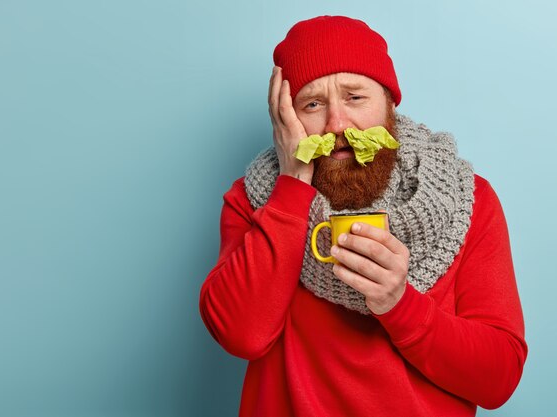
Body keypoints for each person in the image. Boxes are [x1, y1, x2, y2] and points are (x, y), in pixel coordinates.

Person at [199, 15, 527, 417]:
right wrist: (291, 185)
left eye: (355, 97)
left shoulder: (467, 199)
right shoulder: (254, 199)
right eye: (313, 104)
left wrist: (399, 304)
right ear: (286, 119)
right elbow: (241, 335)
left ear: (390, 102)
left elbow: (498, 379)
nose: (338, 124)